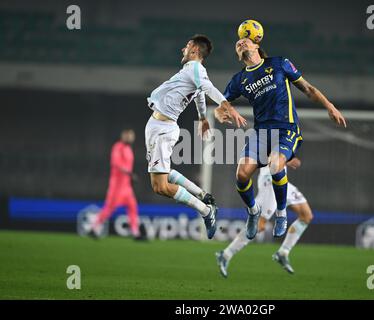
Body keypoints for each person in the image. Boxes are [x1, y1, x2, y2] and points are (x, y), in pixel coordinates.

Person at [215, 37, 346, 240]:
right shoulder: (239, 80)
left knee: (276, 166)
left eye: (245, 41)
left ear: (257, 45)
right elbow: (221, 104)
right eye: (238, 43)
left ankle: (281, 214)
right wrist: (220, 113)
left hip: (286, 129)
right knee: (241, 175)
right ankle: (252, 212)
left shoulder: (278, 64)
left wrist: (330, 106)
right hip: (261, 132)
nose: (241, 43)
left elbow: (308, 89)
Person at [145, 34, 246, 239]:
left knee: (160, 187)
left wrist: (227, 106)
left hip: (164, 128)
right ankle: (203, 195)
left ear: (194, 50)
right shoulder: (189, 72)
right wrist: (202, 117)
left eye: (186, 46)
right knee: (162, 175)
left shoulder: (196, 69)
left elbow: (207, 88)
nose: (183, 49)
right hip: (155, 125)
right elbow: (199, 94)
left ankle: (206, 210)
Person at [215, 157, 313, 277]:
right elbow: (267, 155)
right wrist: (287, 161)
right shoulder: (269, 139)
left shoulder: (289, 139)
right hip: (270, 183)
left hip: (282, 181)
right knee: (259, 225)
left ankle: (283, 252)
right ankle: (225, 255)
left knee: (306, 215)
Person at [89, 129, 142, 239]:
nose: (131, 138)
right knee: (109, 208)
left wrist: (130, 177)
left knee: (132, 207)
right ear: (124, 136)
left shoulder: (128, 149)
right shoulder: (118, 147)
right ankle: (94, 227)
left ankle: (136, 233)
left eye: (132, 136)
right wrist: (129, 173)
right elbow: (116, 163)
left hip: (126, 186)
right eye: (128, 136)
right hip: (117, 186)